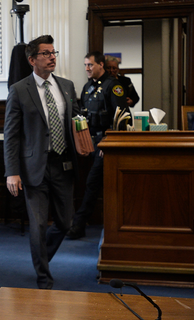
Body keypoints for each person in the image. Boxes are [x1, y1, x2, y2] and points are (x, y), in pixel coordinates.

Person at [3, 35, 80, 290]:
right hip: (33, 168)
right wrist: (12, 172)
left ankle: (41, 255)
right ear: (32, 59)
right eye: (46, 53)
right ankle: (43, 277)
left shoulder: (67, 86)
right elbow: (11, 135)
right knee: (37, 226)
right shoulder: (19, 89)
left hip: (64, 165)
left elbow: (75, 121)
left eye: (53, 52)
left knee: (65, 223)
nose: (52, 57)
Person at [66, 51, 129, 240]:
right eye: (85, 65)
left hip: (106, 145)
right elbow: (84, 116)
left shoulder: (114, 86)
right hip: (90, 143)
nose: (87, 68)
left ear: (101, 65)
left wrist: (109, 144)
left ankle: (78, 225)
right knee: (90, 183)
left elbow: (122, 118)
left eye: (90, 65)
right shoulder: (87, 87)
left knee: (93, 183)